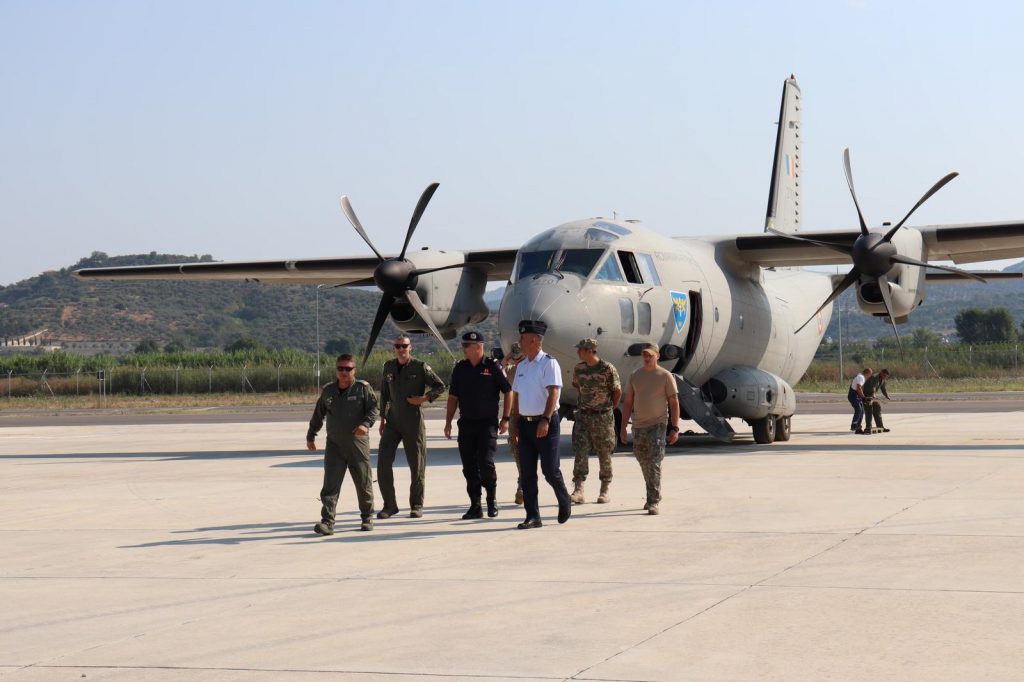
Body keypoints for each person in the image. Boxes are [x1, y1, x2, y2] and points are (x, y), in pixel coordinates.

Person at [508, 320, 571, 529]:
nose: (520, 341)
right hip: (525, 424)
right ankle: (533, 516)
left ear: (534, 340)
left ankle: (564, 499)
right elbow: (516, 396)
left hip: (545, 422)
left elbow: (554, 392)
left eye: (523, 338)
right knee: (526, 473)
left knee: (550, 470)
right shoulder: (522, 366)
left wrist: (545, 419)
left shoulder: (548, 363)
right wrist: (514, 424)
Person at [306, 354, 379, 534]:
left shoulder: (363, 389)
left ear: (354, 370)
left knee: (363, 482)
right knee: (330, 484)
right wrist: (311, 435)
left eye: (348, 369)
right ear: (336, 370)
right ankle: (327, 522)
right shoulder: (329, 391)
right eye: (341, 368)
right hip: (335, 445)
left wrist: (365, 424)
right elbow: (318, 413)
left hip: (357, 444)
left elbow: (374, 408)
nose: (344, 372)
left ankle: (366, 517)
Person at [445, 331, 513, 519]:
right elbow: (453, 397)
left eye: (466, 345)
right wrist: (448, 421)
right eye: (463, 345)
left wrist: (505, 418)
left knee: (486, 463)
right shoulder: (460, 368)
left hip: (487, 425)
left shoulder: (492, 367)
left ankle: (491, 500)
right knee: (469, 467)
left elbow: (508, 391)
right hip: (466, 424)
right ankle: (475, 505)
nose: (463, 349)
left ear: (478, 347)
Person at [377, 334, 446, 519]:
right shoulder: (388, 367)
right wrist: (382, 418)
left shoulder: (420, 367)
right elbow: (384, 394)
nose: (401, 349)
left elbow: (440, 386)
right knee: (382, 463)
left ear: (410, 348)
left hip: (413, 421)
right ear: (394, 348)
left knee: (417, 465)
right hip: (392, 422)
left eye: (404, 346)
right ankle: (389, 505)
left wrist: (423, 399)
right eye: (397, 346)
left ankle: (416, 504)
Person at [619, 342, 680, 515]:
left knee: (653, 461)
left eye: (650, 355)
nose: (646, 358)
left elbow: (674, 402)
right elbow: (629, 402)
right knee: (642, 459)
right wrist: (623, 427)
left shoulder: (665, 376)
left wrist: (674, 428)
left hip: (658, 425)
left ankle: (652, 500)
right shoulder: (635, 376)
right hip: (639, 425)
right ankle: (655, 491)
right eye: (644, 355)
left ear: (657, 356)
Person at [570, 338, 621, 505]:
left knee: (604, 452)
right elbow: (578, 387)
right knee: (580, 451)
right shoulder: (579, 369)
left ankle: (604, 490)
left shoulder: (607, 369)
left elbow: (617, 391)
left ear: (589, 350)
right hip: (583, 416)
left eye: (580, 349)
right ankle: (579, 489)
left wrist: (607, 408)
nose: (578, 352)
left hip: (602, 417)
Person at [502, 342, 526, 505]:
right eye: (515, 357)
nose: (517, 360)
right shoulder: (509, 371)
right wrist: (507, 359)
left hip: (529, 415)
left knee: (530, 454)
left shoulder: (533, 368)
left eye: (520, 357)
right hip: (513, 418)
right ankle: (522, 486)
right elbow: (499, 368)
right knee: (518, 453)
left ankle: (524, 487)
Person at [862, 368, 891, 433]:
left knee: (877, 410)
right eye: (884, 376)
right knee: (869, 411)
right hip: (867, 395)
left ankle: (880, 427)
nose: (885, 377)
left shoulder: (882, 379)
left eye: (886, 376)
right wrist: (873, 394)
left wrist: (886, 395)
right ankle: (868, 428)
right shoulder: (874, 377)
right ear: (881, 373)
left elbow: (883, 388)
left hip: (873, 396)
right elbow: (873, 387)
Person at [849, 368, 872, 434]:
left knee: (861, 411)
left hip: (856, 396)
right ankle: (854, 424)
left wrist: (863, 397)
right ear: (868, 374)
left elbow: (859, 388)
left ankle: (858, 429)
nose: (869, 377)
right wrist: (863, 397)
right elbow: (858, 387)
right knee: (858, 409)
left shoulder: (860, 376)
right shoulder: (861, 377)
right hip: (853, 396)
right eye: (870, 375)